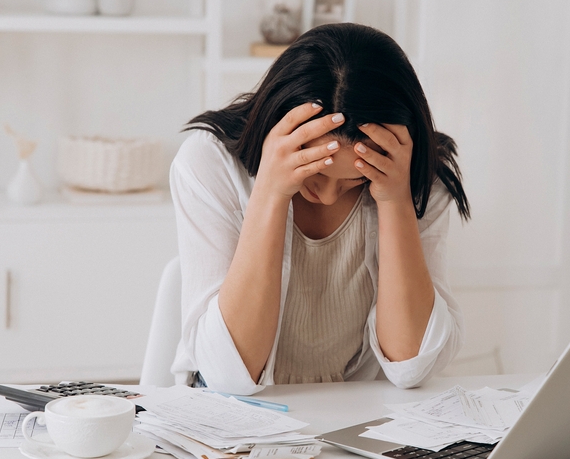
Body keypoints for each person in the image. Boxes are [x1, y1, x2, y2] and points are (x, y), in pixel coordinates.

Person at [169, 23, 470, 395]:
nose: (327, 196)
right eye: (314, 174)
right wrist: (271, 190)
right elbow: (229, 376)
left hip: (354, 418)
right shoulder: (209, 163)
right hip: (231, 422)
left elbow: (411, 366)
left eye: (351, 182)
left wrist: (395, 200)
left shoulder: (412, 173)